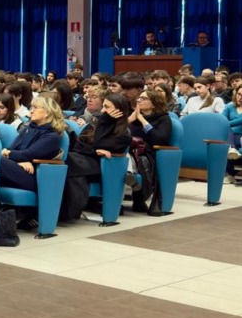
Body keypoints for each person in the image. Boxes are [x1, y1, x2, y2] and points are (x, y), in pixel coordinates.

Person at [61, 93, 133, 221]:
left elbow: (98, 143)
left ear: (119, 111)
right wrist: (94, 149)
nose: (103, 110)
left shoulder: (124, 134)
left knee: (67, 162)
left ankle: (65, 211)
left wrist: (105, 121)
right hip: (82, 160)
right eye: (103, 106)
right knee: (64, 163)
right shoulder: (95, 123)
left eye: (107, 107)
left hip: (101, 166)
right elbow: (79, 145)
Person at [127, 89, 172, 215]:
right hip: (129, 150)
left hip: (148, 154)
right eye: (139, 98)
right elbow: (116, 133)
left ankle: (130, 174)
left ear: (154, 103)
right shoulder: (133, 118)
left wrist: (142, 120)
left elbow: (160, 139)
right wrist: (129, 120)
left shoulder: (163, 119)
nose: (139, 100)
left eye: (143, 98)